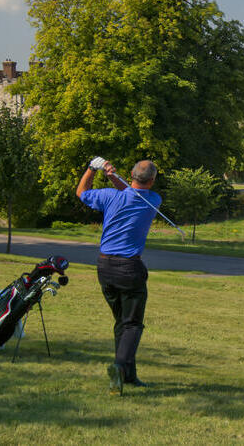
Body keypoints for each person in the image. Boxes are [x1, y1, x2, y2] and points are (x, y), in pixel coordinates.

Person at [77, 158, 161, 395]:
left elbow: (82, 192)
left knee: (121, 323)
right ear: (152, 180)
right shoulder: (153, 200)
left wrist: (92, 169)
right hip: (129, 268)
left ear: (132, 175)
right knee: (132, 324)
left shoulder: (109, 196)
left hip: (104, 266)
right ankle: (119, 367)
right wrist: (113, 176)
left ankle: (127, 375)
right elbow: (133, 192)